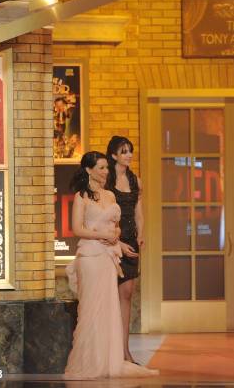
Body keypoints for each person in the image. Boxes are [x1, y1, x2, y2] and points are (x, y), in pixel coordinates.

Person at [64, 151, 157, 379]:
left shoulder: (110, 196)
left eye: (107, 167)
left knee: (108, 311)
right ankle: (89, 362)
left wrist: (115, 235)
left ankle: (109, 361)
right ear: (89, 170)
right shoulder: (81, 197)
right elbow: (77, 229)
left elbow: (115, 227)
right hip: (90, 258)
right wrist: (101, 235)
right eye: (102, 168)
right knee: (90, 312)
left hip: (107, 260)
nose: (106, 172)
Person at [106, 136, 144, 365]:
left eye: (130, 150)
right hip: (111, 241)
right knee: (109, 296)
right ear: (113, 155)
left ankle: (125, 351)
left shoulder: (135, 180)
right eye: (124, 151)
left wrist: (142, 234)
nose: (129, 155)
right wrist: (114, 241)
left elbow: (139, 212)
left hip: (131, 240)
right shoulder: (106, 180)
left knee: (127, 294)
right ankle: (108, 352)